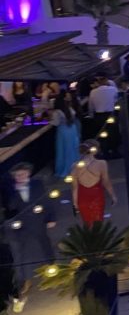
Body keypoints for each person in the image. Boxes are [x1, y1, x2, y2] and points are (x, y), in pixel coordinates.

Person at [2, 163, 55, 303]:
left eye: (23, 174)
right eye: (18, 175)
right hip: (22, 225)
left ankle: (52, 265)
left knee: (44, 242)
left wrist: (50, 218)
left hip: (37, 221)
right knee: (19, 251)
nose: (21, 177)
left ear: (28, 174)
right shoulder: (10, 189)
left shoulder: (37, 184)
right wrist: (16, 192)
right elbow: (11, 207)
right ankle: (23, 281)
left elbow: (46, 200)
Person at [71, 140, 116, 225]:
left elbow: (75, 188)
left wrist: (75, 204)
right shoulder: (101, 164)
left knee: (87, 223)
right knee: (98, 223)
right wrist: (113, 196)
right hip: (97, 197)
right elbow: (106, 183)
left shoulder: (74, 166)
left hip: (82, 198)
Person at [51, 93, 81, 179]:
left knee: (63, 150)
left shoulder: (57, 112)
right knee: (73, 148)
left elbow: (55, 123)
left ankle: (65, 169)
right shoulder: (69, 108)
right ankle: (74, 166)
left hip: (63, 131)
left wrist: (49, 120)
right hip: (72, 129)